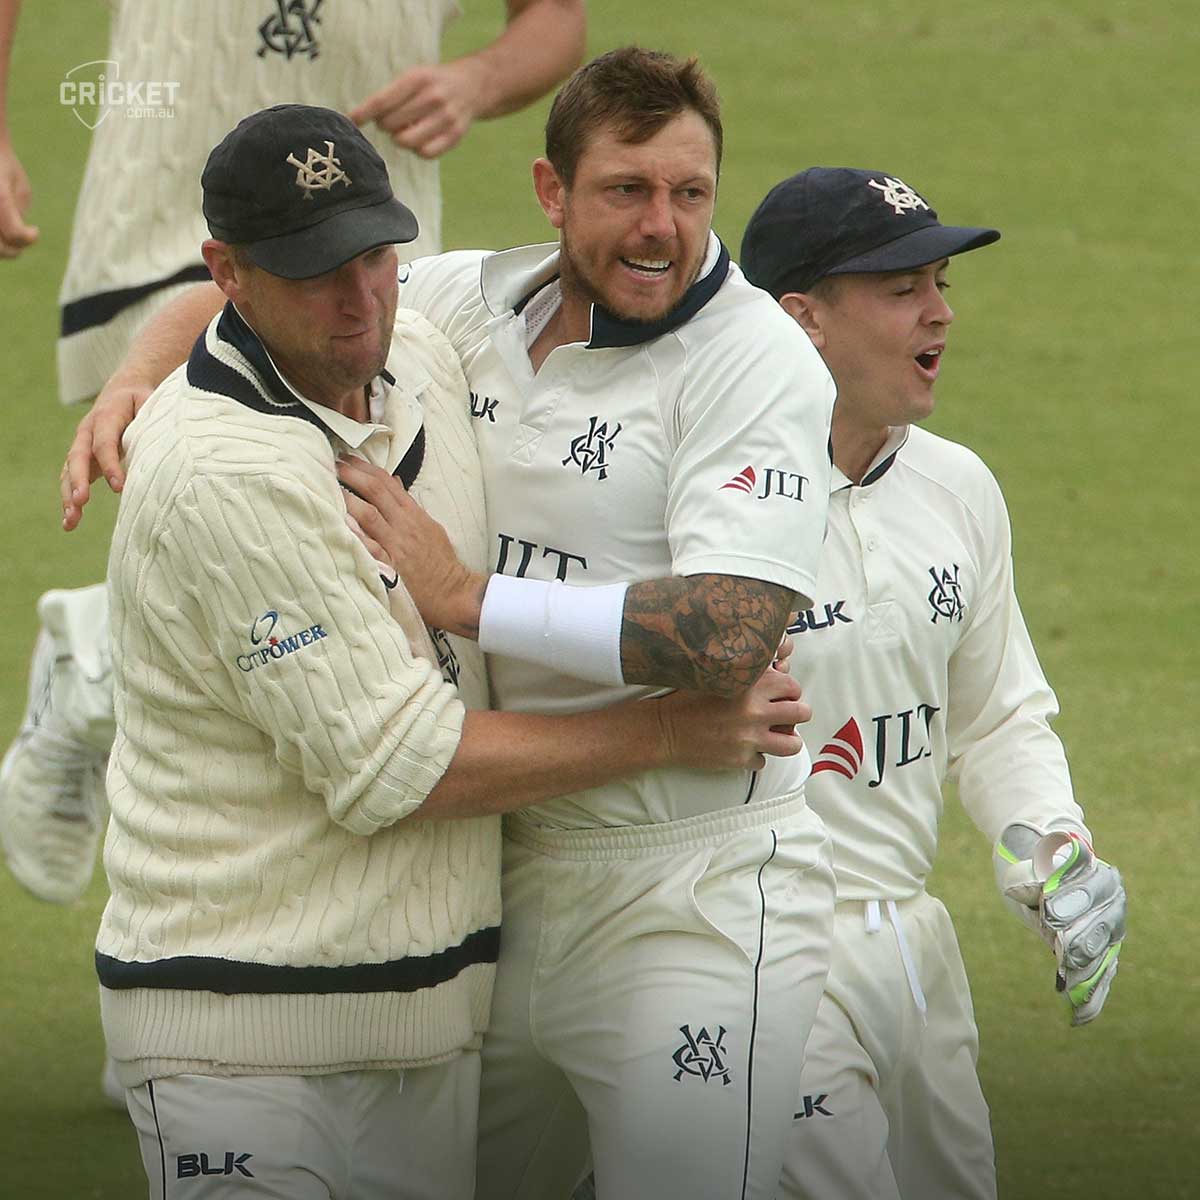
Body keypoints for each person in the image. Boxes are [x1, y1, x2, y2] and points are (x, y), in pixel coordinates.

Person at [61, 48, 840, 1200]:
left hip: (692, 895)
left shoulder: (753, 356)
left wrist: (469, 599)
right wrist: (138, 376)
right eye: (626, 190)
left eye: (690, 193)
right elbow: (224, 294)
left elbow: (732, 638)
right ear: (551, 193)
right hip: (509, 889)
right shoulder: (455, 310)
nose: (661, 227)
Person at [0, 0, 586, 911]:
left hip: (363, 229)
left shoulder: (390, 287)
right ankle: (103, 662)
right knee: (248, 540)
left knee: (338, 596)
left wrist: (476, 78)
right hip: (166, 205)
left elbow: (553, 17)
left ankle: (95, 656)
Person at [732, 167, 1127, 1199]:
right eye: (903, 287)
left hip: (913, 951)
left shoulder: (958, 487)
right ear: (801, 319)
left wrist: (1055, 854)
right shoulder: (709, 504)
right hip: (764, 951)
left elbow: (996, 715)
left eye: (941, 281)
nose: (941, 312)